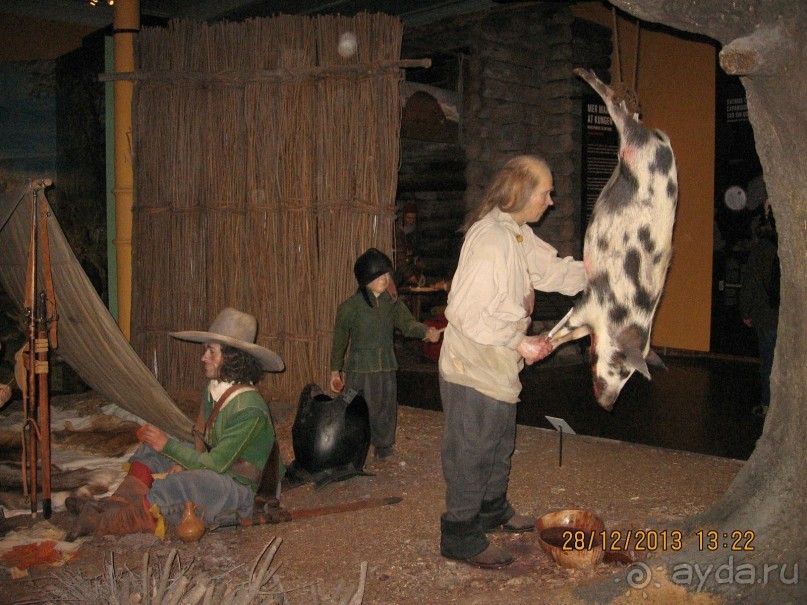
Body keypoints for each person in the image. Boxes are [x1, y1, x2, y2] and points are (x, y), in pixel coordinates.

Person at [438, 155, 586, 568]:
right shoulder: (490, 241)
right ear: (521, 191)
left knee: (500, 444)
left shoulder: (516, 233)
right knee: (472, 450)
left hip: (497, 366)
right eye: (545, 192)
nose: (551, 201)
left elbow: (552, 272)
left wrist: (599, 273)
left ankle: (491, 510)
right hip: (474, 368)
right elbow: (463, 312)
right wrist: (519, 342)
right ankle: (460, 534)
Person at [67, 307, 284, 540]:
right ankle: (116, 503)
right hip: (219, 469)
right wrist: (180, 458)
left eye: (211, 352)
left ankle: (106, 522)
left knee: (181, 483)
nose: (203, 358)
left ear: (232, 357)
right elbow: (203, 445)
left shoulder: (248, 407)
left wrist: (172, 450)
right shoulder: (215, 390)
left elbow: (216, 464)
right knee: (151, 448)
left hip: (242, 490)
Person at [330, 248, 440, 459]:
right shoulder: (350, 308)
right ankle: (354, 445)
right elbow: (340, 340)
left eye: (387, 274)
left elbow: (407, 324)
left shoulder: (391, 304)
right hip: (360, 368)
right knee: (357, 406)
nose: (385, 279)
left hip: (386, 366)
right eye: (379, 275)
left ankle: (383, 444)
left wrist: (425, 331)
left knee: (386, 406)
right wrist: (335, 371)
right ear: (365, 279)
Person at [740, 200, 779, 417]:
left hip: (766, 316)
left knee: (769, 363)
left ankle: (768, 405)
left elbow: (750, 283)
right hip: (783, 317)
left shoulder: (762, 248)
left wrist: (746, 311)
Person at [393, 203, 425, 286]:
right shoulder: (397, 232)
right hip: (399, 271)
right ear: (403, 217)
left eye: (413, 218)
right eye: (408, 218)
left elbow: (416, 255)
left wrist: (418, 271)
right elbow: (399, 257)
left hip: (409, 269)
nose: (411, 220)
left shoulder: (415, 233)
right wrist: (408, 275)